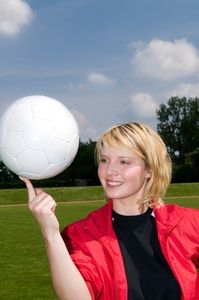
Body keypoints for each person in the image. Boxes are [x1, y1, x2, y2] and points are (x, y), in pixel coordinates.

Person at [21, 122, 199, 300]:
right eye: (104, 160)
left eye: (124, 162)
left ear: (149, 170)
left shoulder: (187, 222)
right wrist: (50, 233)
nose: (110, 171)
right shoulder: (81, 235)